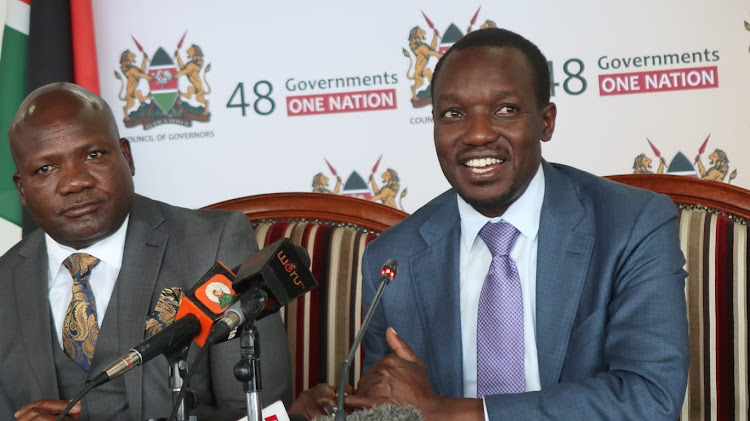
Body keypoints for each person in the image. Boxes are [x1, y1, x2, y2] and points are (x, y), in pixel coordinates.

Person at [348, 28, 690, 420]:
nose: (477, 134)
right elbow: (390, 404)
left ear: (546, 122)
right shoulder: (394, 258)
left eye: (505, 109)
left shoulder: (632, 225)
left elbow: (649, 398)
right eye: (453, 114)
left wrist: (454, 413)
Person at [0, 82, 292, 420]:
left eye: (92, 155)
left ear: (126, 156)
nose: (74, 182)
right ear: (22, 188)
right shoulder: (5, 280)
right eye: (46, 169)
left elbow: (256, 410)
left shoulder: (213, 244)